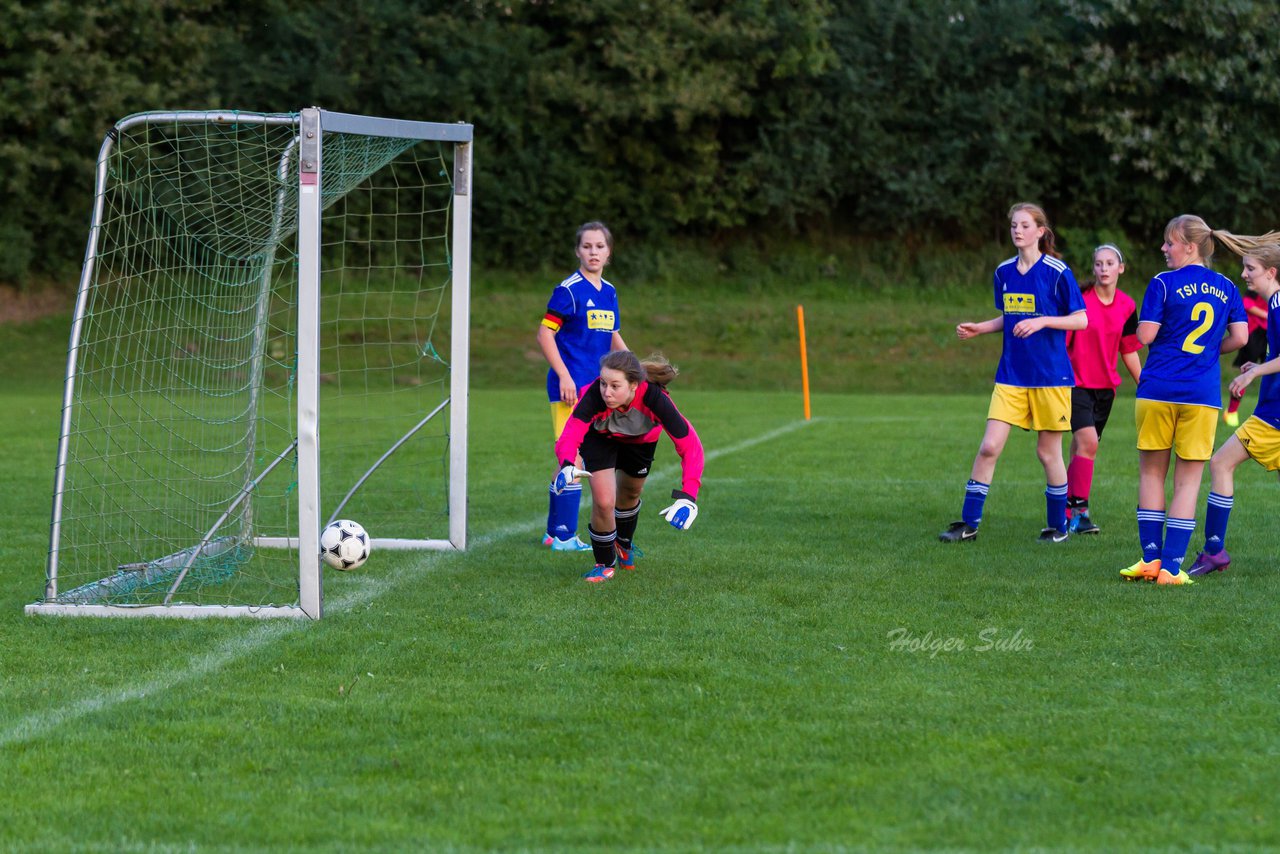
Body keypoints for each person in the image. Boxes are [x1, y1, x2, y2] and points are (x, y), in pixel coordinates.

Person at [938, 202, 1087, 544]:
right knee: (989, 446)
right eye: (1013, 226)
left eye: (1024, 225)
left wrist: (1044, 321)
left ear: (1040, 231)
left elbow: (1081, 319)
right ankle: (968, 523)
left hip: (1050, 377)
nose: (1017, 231)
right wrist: (982, 328)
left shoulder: (1057, 271)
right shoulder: (1003, 272)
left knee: (1047, 453)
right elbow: (1011, 316)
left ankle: (1057, 527)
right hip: (1011, 376)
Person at [1118, 215, 1249, 586]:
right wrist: (1208, 351)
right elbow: (1240, 337)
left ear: (1190, 246)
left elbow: (1145, 336)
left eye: (1169, 242)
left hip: (1157, 390)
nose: (1163, 248)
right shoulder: (1226, 286)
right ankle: (1173, 569)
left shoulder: (1162, 282)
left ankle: (1149, 561)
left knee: (1151, 473)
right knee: (1188, 482)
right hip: (1201, 396)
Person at [550, 350, 704, 582]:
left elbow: (690, 444)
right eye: (603, 383)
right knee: (603, 502)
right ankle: (604, 564)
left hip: (640, 443)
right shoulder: (593, 396)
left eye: (614, 386)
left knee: (630, 493)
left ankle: (623, 545)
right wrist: (567, 464)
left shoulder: (654, 399)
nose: (606, 392)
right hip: (600, 439)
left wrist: (688, 497)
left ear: (633, 385)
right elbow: (569, 434)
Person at [1186, 241, 1280, 576]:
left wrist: (1255, 372)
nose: (1243, 274)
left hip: (1274, 415)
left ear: (1271, 272)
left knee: (1221, 463)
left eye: (1250, 269)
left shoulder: (1279, 304)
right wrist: (1260, 363)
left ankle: (1214, 551)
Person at [537, 222, 628, 552]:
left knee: (573, 457)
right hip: (570, 387)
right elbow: (545, 334)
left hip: (597, 389)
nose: (593, 252)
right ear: (578, 251)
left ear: (608, 252)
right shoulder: (569, 290)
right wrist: (563, 375)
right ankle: (563, 537)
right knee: (572, 457)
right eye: (587, 246)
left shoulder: (609, 291)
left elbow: (612, 336)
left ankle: (551, 531)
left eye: (600, 246)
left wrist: (634, 368)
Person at [1063, 244, 1143, 535]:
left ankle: (1065, 508)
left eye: (1110, 263)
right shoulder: (1080, 300)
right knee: (1089, 444)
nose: (1104, 269)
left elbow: (1129, 350)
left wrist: (1143, 384)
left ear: (1120, 268)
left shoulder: (1127, 306)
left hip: (1106, 390)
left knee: (1080, 449)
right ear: (1094, 268)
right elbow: (1062, 343)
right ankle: (1081, 513)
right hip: (1076, 385)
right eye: (1099, 264)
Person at [1222, 283, 1269, 427]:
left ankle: (1268, 413)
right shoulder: (1261, 282)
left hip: (1270, 333)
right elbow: (1247, 303)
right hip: (1253, 332)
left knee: (1272, 372)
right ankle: (1231, 411)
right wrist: (1268, 315)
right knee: (1247, 370)